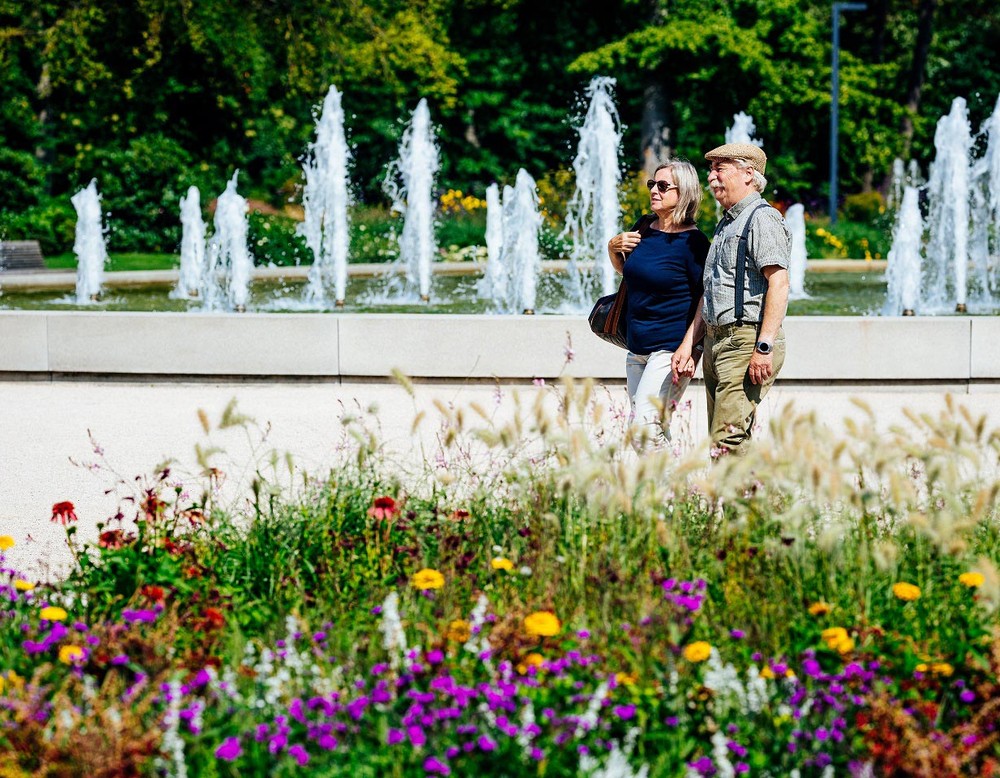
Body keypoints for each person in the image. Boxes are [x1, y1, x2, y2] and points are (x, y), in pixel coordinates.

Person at [671, 143, 791, 456]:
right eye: (711, 170)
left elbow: (779, 283)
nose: (711, 178)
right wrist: (691, 344)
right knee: (722, 438)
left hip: (745, 340)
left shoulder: (762, 219)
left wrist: (763, 347)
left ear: (749, 174)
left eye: (719, 169)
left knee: (728, 439)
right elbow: (710, 292)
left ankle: (743, 503)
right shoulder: (728, 222)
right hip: (717, 341)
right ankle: (743, 501)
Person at [606, 159, 709, 448]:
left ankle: (668, 490)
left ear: (684, 193)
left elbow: (706, 296)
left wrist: (689, 347)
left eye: (663, 186)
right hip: (636, 347)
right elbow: (632, 276)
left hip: (669, 351)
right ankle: (669, 489)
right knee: (648, 428)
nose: (654, 190)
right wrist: (613, 250)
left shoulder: (694, 243)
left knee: (643, 430)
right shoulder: (643, 227)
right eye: (652, 183)